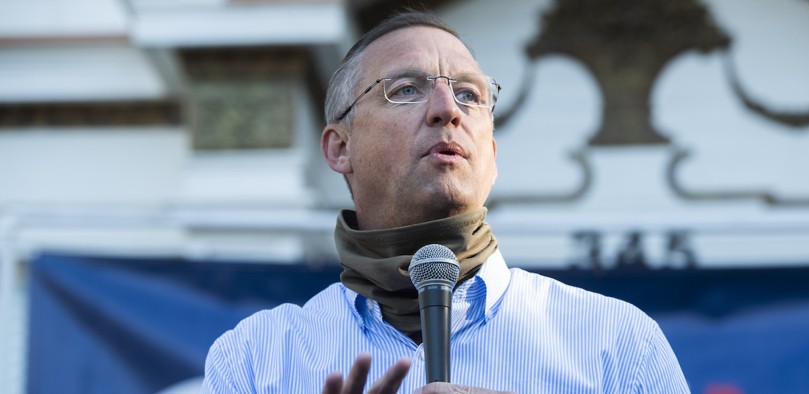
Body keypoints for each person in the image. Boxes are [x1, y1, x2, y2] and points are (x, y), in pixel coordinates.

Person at [202, 10, 690, 394]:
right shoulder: (256, 359)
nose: (447, 110)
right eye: (406, 90)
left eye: (469, 94)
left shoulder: (616, 343)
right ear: (340, 147)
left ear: (491, 156)